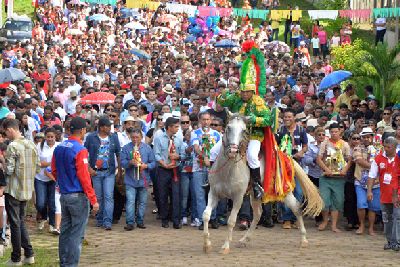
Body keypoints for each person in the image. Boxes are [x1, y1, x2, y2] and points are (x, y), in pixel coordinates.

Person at [51, 117, 99, 267]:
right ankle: (71, 264)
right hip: (77, 196)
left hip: (64, 194)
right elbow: (84, 177)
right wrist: (93, 199)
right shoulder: (80, 149)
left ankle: (64, 263)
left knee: (65, 231)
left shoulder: (59, 147)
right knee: (76, 234)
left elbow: (53, 169)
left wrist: (63, 183)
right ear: (83, 130)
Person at [3, 119, 40, 265]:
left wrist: (2, 162)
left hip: (13, 190)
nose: (5, 135)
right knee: (21, 222)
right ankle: (29, 254)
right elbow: (37, 167)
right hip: (27, 189)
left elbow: (10, 170)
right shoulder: (31, 144)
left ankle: (16, 257)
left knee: (15, 224)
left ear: (10, 129)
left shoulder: (12, 146)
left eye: (5, 132)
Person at [85, 116, 121, 230]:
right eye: (108, 126)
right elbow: (84, 153)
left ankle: (107, 221)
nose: (110, 128)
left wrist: (119, 170)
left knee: (109, 196)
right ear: (101, 127)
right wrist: (88, 168)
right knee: (99, 197)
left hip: (109, 171)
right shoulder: (91, 137)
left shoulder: (114, 137)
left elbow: (118, 154)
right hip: (96, 172)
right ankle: (99, 219)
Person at [317, 123, 352, 232]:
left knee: (338, 201)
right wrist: (326, 169)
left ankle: (334, 225)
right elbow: (318, 158)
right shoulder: (325, 143)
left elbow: (349, 159)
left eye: (336, 131)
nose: (334, 133)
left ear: (340, 132)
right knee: (324, 200)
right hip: (325, 177)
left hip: (339, 178)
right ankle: (325, 221)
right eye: (332, 132)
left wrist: (345, 169)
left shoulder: (345, 144)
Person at [367, 137, 400, 250]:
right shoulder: (378, 159)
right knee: (387, 219)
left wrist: (397, 194)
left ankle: (397, 242)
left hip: (398, 194)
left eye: (388, 147)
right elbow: (372, 175)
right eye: (384, 146)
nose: (385, 149)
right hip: (385, 194)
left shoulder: (399, 158)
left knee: (397, 217)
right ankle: (390, 241)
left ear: (395, 148)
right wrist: (369, 190)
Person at [121, 128, 155, 231]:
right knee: (130, 201)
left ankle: (140, 220)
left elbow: (153, 163)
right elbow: (122, 162)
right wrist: (129, 163)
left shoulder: (147, 148)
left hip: (143, 180)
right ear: (130, 137)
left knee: (142, 202)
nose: (135, 139)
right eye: (133, 137)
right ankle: (130, 222)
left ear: (141, 137)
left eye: (137, 137)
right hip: (130, 180)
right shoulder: (126, 148)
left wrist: (146, 165)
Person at [153, 117, 184, 229]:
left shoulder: (179, 139)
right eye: (176, 126)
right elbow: (156, 154)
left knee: (176, 195)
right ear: (169, 127)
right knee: (163, 195)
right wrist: (164, 164)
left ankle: (176, 220)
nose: (177, 129)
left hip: (175, 170)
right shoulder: (159, 138)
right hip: (163, 169)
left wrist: (178, 156)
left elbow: (183, 154)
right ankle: (164, 218)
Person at [353, 127, 380, 235]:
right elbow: (359, 161)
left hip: (376, 182)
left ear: (372, 137)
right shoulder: (357, 148)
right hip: (360, 180)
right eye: (364, 137)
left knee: (373, 206)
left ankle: (371, 227)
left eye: (368, 136)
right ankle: (362, 225)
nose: (366, 139)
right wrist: (375, 167)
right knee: (361, 204)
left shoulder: (379, 148)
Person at [35, 127, 60, 235]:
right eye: (48, 137)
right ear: (45, 137)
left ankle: (52, 223)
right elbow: (37, 163)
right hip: (40, 178)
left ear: (55, 137)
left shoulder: (59, 146)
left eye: (52, 137)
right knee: (41, 203)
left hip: (54, 178)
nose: (50, 139)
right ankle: (44, 217)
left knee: (52, 202)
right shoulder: (39, 146)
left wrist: (47, 164)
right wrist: (51, 163)